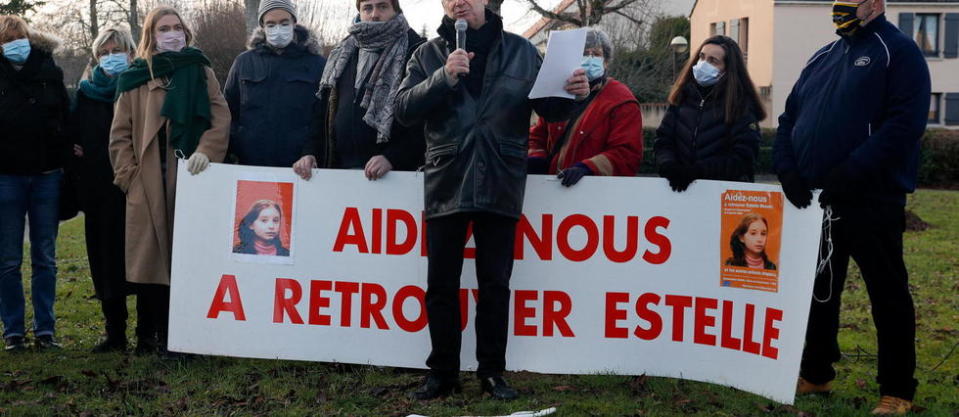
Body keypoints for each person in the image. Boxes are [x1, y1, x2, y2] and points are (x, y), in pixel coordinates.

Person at [396, 0, 589, 400]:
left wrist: (575, 94)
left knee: (495, 284)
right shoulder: (428, 54)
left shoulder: (521, 50)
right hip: (446, 178)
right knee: (441, 285)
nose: (458, 1)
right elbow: (402, 109)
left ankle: (492, 372)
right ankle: (443, 372)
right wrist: (444, 77)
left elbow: (550, 110)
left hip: (500, 176)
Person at [773, 0, 929, 414]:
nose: (839, 5)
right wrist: (787, 169)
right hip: (818, 202)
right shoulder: (823, 56)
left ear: (875, 4)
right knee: (819, 293)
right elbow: (790, 118)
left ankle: (897, 389)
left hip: (872, 199)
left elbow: (905, 124)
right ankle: (817, 372)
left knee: (887, 294)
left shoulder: (899, 52)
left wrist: (852, 171)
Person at [109, 6, 230, 356]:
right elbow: (119, 135)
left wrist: (207, 150)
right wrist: (128, 177)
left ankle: (186, 336)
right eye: (164, 28)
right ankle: (148, 335)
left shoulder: (200, 68)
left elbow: (220, 115)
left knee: (188, 257)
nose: (172, 33)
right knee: (151, 260)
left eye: (177, 27)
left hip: (191, 176)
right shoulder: (135, 76)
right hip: (147, 182)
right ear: (152, 35)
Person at [69, 25, 152, 353]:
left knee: (144, 259)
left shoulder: (142, 85)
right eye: (103, 53)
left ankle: (148, 332)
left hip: (137, 186)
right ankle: (114, 332)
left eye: (116, 51)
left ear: (131, 52)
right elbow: (72, 134)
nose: (110, 58)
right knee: (105, 261)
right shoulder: (86, 93)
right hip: (99, 189)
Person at [292, 0, 425, 181]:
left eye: (382, 6)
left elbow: (426, 120)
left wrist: (393, 157)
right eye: (367, 8)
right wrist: (310, 152)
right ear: (359, 12)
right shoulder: (342, 52)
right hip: (340, 172)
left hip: (395, 177)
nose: (374, 14)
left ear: (396, 10)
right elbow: (321, 113)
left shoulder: (416, 50)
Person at [0, 15, 70, 352]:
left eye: (20, 36)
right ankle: (13, 330)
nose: (16, 43)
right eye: (8, 38)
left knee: (45, 256)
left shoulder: (49, 69)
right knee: (8, 259)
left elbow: (65, 116)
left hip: (46, 175)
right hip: (6, 177)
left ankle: (46, 329)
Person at [526, 28, 643, 186]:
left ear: (606, 61)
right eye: (584, 53)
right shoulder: (557, 94)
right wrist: (537, 159)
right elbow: (537, 137)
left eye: (596, 54)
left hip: (597, 194)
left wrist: (588, 168)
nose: (589, 58)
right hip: (551, 190)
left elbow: (628, 152)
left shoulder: (621, 100)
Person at [654, 35, 765, 192]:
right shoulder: (683, 97)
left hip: (723, 196)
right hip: (679, 192)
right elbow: (663, 140)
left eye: (713, 61)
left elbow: (743, 157)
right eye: (702, 57)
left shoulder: (741, 105)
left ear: (728, 69)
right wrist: (669, 165)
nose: (703, 64)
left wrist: (697, 172)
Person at [224, 0, 326, 167]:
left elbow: (322, 117)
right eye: (270, 24)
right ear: (262, 26)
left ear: (294, 22)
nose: (277, 29)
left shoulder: (316, 64)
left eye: (284, 23)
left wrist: (311, 152)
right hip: (250, 164)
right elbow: (228, 112)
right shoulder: (244, 62)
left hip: (300, 166)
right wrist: (233, 151)